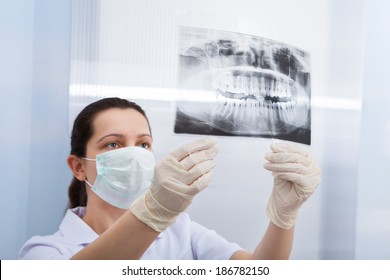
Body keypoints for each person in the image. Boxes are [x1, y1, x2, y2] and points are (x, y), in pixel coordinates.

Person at [18, 97, 321, 260]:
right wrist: (154, 212)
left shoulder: (181, 232)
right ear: (79, 167)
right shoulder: (45, 252)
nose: (134, 154)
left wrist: (284, 216)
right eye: (113, 144)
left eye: (143, 144)